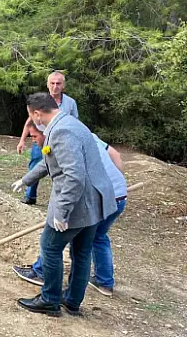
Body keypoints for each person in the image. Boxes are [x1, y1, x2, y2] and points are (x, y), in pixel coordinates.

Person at [10, 93, 116, 317]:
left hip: (79, 203)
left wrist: (62, 212)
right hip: (94, 202)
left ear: (38, 113)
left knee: (50, 246)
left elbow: (74, 176)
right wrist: (26, 179)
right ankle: (72, 301)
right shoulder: (71, 123)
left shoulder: (61, 132)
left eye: (32, 116)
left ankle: (50, 300)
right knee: (82, 252)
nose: (33, 121)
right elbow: (50, 160)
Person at [16, 71, 79, 205]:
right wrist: (22, 140)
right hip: (41, 140)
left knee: (62, 170)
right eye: (52, 83)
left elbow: (75, 123)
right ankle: (30, 196)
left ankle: (62, 200)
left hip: (61, 143)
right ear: (47, 84)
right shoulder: (41, 101)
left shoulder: (70, 103)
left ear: (63, 85)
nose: (55, 86)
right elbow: (30, 121)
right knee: (36, 166)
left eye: (58, 83)